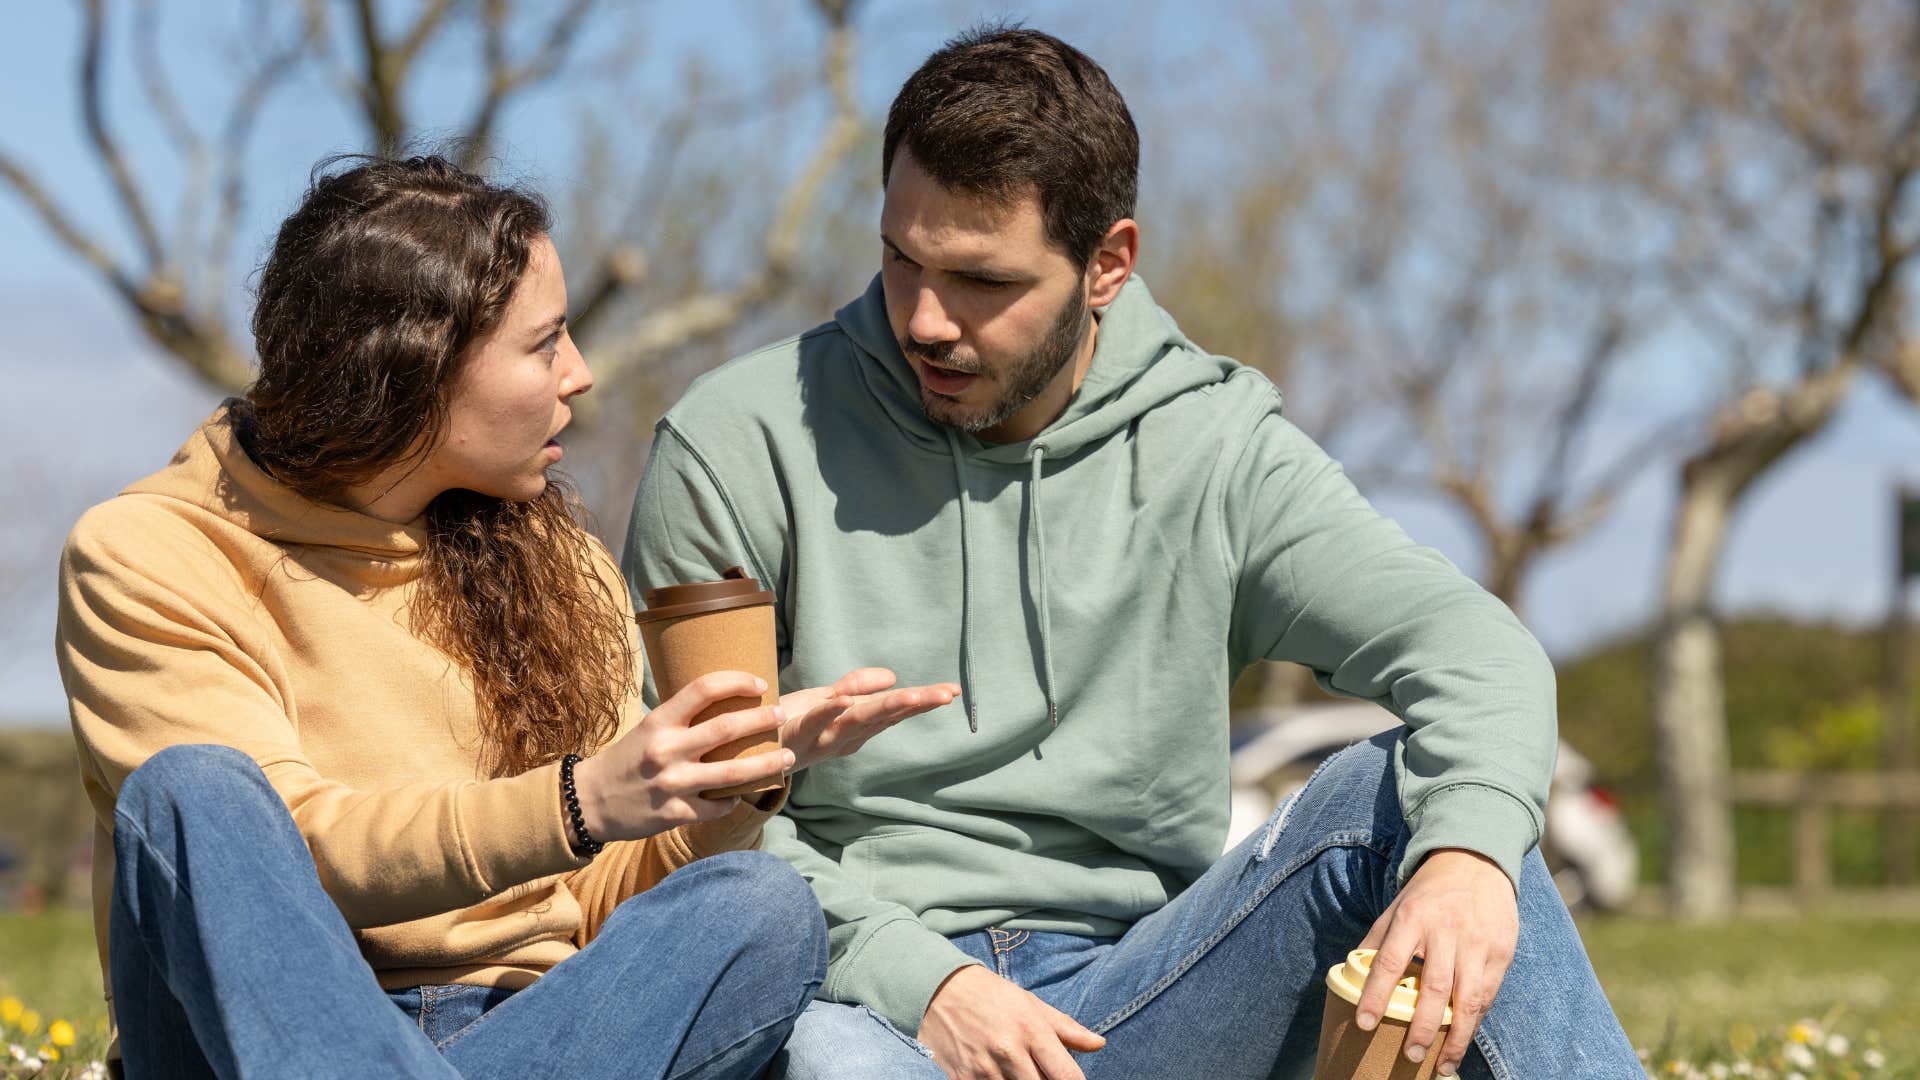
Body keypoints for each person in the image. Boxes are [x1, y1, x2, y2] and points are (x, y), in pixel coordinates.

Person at [624, 26, 1644, 1080]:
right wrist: (921, 981)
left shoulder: (1215, 448)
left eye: (981, 280)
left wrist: (1468, 857)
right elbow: (685, 817)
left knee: (1432, 810)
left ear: (1107, 265)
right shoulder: (735, 443)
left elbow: (1478, 653)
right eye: (901, 258)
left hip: (1149, 995)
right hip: (865, 1001)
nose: (923, 319)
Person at [55, 155, 956, 1079]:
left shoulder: (555, 564)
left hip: (535, 1034)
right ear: (414, 366)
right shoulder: (148, 553)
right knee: (191, 793)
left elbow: (596, 901)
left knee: (761, 905)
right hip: (253, 1033)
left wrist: (726, 787)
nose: (581, 373)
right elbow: (283, 865)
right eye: (546, 342)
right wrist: (577, 800)